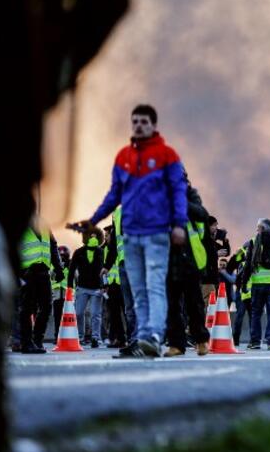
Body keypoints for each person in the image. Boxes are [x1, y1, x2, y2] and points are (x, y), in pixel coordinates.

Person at [72, 104, 188, 358]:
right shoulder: (123, 156)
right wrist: (93, 221)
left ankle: (154, 335)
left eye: (144, 121)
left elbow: (178, 190)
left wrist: (179, 224)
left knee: (154, 285)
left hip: (157, 232)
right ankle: (143, 339)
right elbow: (114, 195)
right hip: (131, 236)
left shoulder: (167, 155)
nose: (138, 125)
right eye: (135, 120)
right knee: (137, 292)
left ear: (154, 126)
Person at [163, 180, 211, 357]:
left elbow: (202, 214)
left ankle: (200, 341)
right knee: (172, 305)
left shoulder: (189, 193)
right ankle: (176, 344)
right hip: (167, 257)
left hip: (190, 257)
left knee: (194, 303)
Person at [241, 219, 270, 350]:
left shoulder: (254, 241)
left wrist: (244, 283)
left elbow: (248, 265)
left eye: (258, 227)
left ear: (262, 228)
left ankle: (255, 342)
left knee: (256, 313)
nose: (257, 230)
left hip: (258, 283)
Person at [17, 221, 65, 353]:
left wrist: (59, 268)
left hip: (43, 272)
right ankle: (26, 343)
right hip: (27, 272)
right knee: (27, 308)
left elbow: (53, 246)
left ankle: (37, 340)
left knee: (46, 306)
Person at [103, 206, 137, 348]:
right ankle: (133, 341)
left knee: (138, 305)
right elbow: (115, 244)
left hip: (138, 262)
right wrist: (107, 265)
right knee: (129, 308)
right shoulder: (116, 213)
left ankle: (141, 340)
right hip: (124, 265)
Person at [69, 232, 105, 348]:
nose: (93, 238)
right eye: (91, 236)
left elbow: (105, 269)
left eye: (95, 236)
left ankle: (95, 338)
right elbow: (71, 269)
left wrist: (104, 285)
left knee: (96, 314)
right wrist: (70, 286)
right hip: (82, 287)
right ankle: (80, 337)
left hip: (97, 288)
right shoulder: (79, 252)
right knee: (78, 313)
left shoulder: (101, 251)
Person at [102, 226, 126, 348]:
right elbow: (103, 269)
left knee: (127, 312)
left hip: (123, 283)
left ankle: (131, 338)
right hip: (111, 285)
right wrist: (104, 285)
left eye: (108, 235)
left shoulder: (121, 245)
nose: (106, 238)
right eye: (105, 236)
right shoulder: (104, 249)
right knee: (114, 314)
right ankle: (120, 339)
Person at [52, 245, 71, 340]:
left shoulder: (71, 264)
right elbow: (50, 276)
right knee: (57, 316)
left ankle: (67, 336)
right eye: (60, 255)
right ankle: (57, 336)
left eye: (64, 254)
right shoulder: (53, 265)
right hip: (56, 294)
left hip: (67, 295)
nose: (62, 256)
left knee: (67, 317)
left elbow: (76, 277)